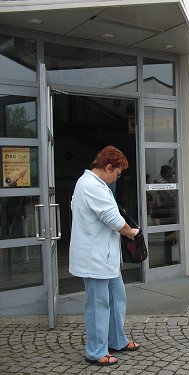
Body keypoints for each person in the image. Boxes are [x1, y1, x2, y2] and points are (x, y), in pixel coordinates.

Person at [69, 145, 140, 366]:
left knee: (117, 297)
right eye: (117, 173)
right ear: (108, 167)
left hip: (105, 256)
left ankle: (117, 339)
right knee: (99, 304)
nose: (116, 178)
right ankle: (96, 351)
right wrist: (131, 232)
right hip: (95, 258)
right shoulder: (91, 185)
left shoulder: (91, 184)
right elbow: (113, 218)